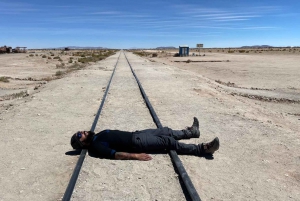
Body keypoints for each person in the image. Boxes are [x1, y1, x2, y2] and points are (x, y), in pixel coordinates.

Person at [70, 117, 219, 161]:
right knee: (168, 142)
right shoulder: (95, 147)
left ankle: (192, 133)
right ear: (81, 143)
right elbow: (114, 155)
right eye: (79, 135)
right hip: (137, 143)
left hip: (137, 134)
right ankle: (203, 149)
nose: (81, 132)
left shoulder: (96, 136)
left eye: (79, 132)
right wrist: (135, 156)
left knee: (165, 131)